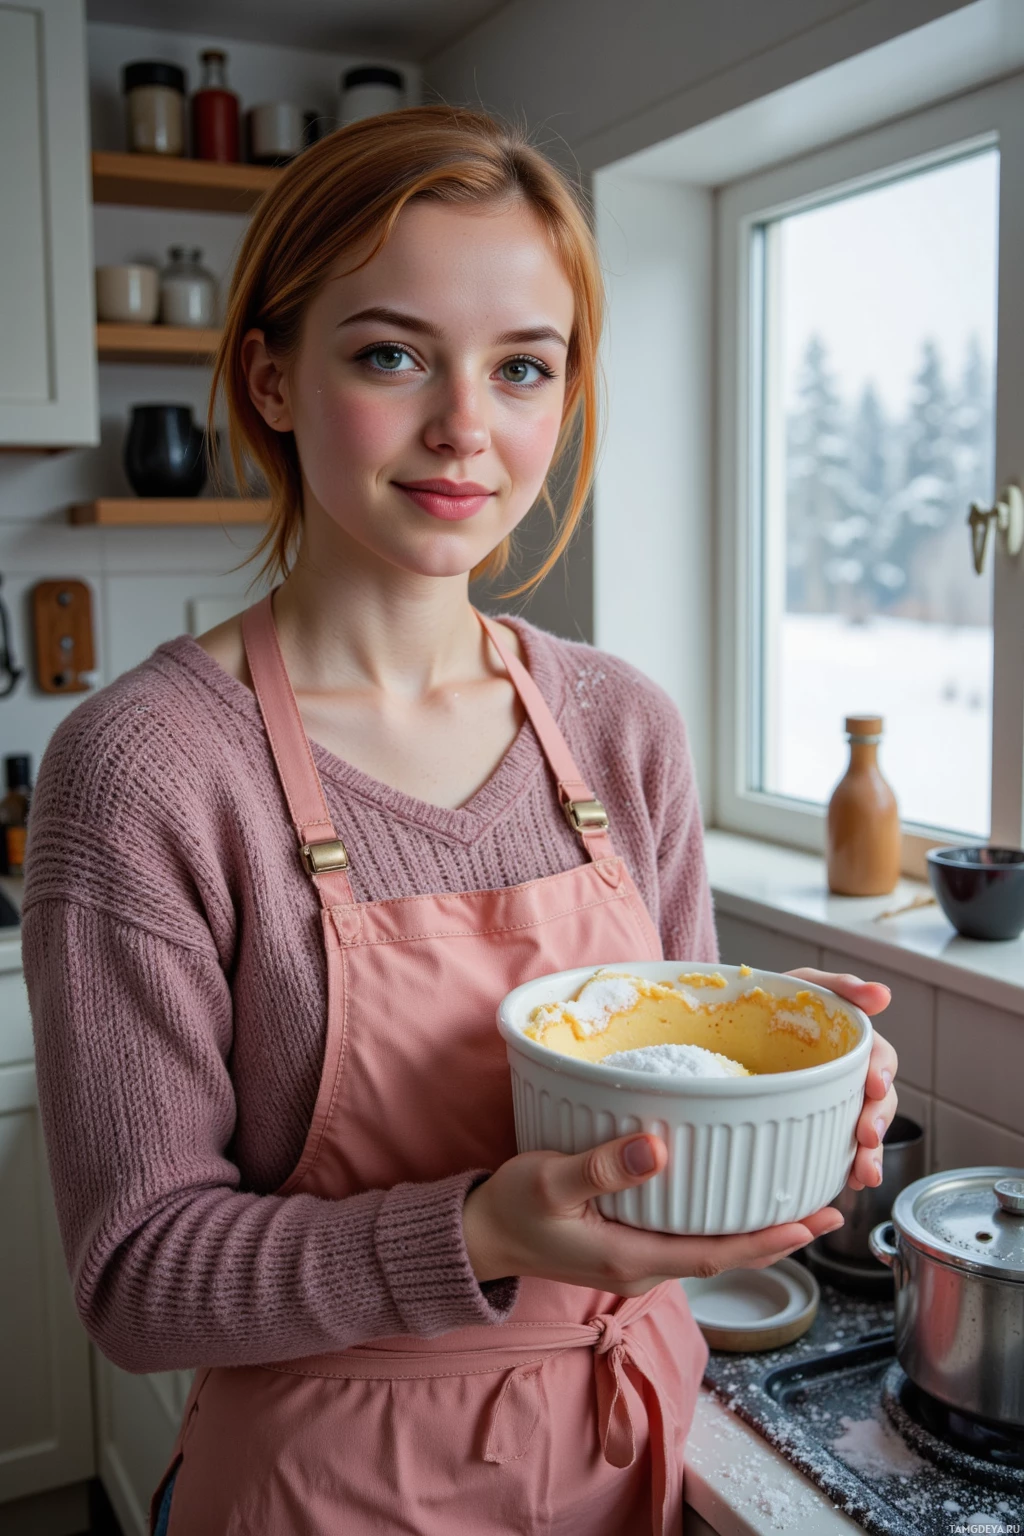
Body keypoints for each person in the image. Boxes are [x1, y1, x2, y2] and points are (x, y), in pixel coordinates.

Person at [22, 107, 898, 1535]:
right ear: (273, 377)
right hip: (329, 1488)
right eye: (390, 353)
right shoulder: (149, 768)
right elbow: (138, 1278)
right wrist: (483, 1227)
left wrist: (771, 1093)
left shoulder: (623, 726)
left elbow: (659, 1083)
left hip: (630, 1451)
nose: (464, 429)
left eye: (523, 368)